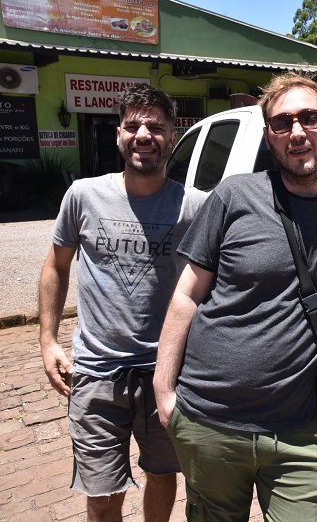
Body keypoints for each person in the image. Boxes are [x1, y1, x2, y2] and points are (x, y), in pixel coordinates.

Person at [153, 72, 317, 522]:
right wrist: (164, 391)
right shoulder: (235, 195)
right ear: (269, 137)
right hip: (208, 420)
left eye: (309, 118)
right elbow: (187, 294)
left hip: (300, 430)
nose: (297, 132)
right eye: (282, 123)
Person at [38, 83, 207, 522]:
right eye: (133, 125)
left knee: (164, 473)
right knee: (101, 493)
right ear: (118, 135)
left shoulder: (195, 207)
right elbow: (56, 265)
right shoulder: (83, 196)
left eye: (156, 126)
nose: (144, 134)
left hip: (165, 374)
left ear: (173, 136)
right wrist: (47, 340)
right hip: (96, 374)